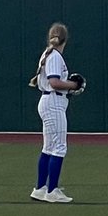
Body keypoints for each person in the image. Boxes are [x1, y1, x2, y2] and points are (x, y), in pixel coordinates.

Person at [29, 23, 82, 204]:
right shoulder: (55, 56)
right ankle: (52, 191)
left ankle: (40, 188)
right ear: (65, 39)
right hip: (53, 101)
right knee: (59, 147)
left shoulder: (47, 54)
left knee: (48, 147)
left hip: (48, 100)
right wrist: (73, 85)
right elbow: (55, 82)